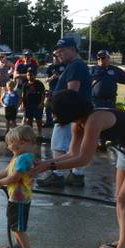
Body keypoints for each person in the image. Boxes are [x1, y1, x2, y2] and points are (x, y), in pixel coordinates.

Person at [33, 90, 125, 248]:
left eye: (55, 111)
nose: (53, 115)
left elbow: (83, 159)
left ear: (68, 110)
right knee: (120, 199)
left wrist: (49, 166)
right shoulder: (78, 124)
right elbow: (73, 153)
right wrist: (46, 162)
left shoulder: (95, 119)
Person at [37, 38, 92, 188]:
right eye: (58, 51)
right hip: (76, 114)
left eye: (63, 50)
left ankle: (57, 175)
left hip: (68, 115)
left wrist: (61, 114)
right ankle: (76, 175)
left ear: (73, 49)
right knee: (74, 145)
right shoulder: (76, 65)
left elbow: (71, 93)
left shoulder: (75, 66)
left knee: (59, 145)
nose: (59, 54)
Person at [0, 125, 39, 248]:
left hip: (20, 199)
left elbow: (15, 177)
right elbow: (6, 171)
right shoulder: (18, 158)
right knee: (14, 224)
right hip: (15, 198)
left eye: (10, 144)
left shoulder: (24, 158)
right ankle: (19, 246)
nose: (9, 147)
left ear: (22, 143)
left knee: (18, 226)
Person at [21, 67, 46, 137]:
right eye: (28, 75)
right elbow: (23, 95)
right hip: (28, 105)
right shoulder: (25, 84)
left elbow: (43, 94)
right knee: (29, 120)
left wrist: (41, 103)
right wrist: (22, 104)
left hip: (37, 104)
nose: (29, 76)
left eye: (31, 75)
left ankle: (39, 133)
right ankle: (31, 133)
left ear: (34, 75)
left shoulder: (39, 83)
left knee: (38, 120)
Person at [43, 54, 63, 127]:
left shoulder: (64, 65)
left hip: (62, 90)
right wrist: (52, 77)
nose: (56, 58)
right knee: (48, 106)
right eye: (55, 56)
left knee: (59, 107)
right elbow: (46, 80)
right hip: (52, 90)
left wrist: (59, 76)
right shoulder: (51, 67)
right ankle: (49, 122)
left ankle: (59, 122)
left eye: (58, 56)